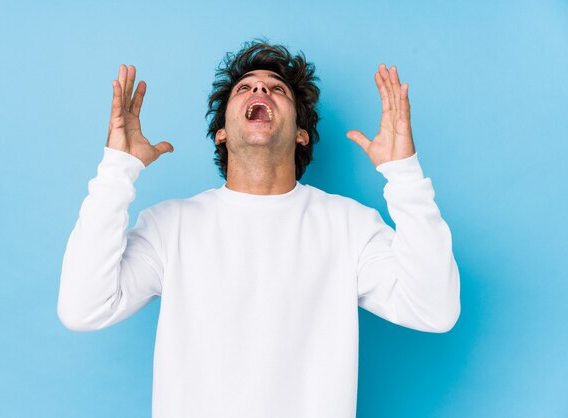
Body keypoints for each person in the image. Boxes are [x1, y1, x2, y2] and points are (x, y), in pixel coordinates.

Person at [57, 39, 460, 418]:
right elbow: (83, 308)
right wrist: (117, 170)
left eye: (277, 90)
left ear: (301, 134)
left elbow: (435, 310)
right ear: (222, 132)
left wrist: (403, 174)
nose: (260, 92)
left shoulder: (349, 226)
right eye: (245, 88)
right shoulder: (171, 226)